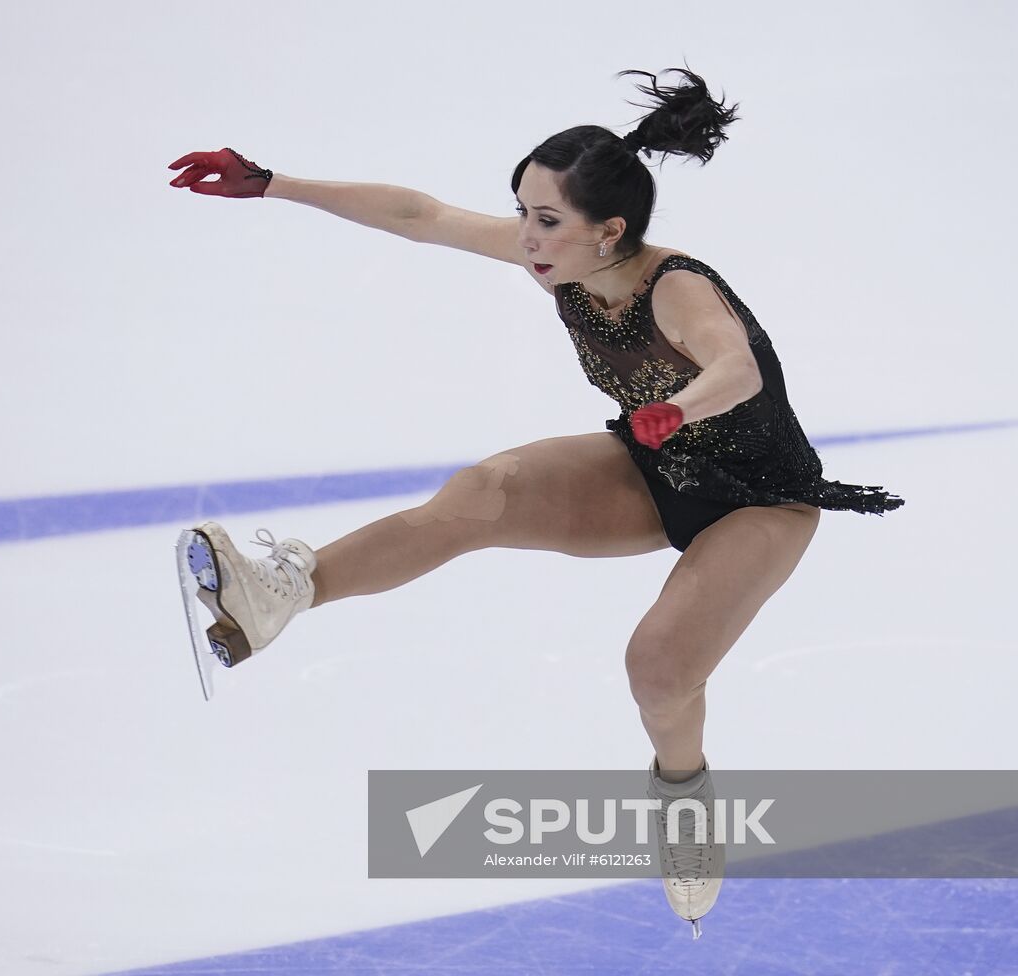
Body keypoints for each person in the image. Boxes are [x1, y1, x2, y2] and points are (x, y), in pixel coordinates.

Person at [166, 66, 904, 939]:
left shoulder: (674, 284)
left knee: (659, 671)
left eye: (545, 219)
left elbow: (734, 368)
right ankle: (282, 592)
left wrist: (675, 408)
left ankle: (685, 802)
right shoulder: (559, 263)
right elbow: (423, 217)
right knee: (484, 495)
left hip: (759, 497)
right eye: (521, 212)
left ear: (610, 230)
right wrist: (274, 182)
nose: (525, 235)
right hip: (654, 467)